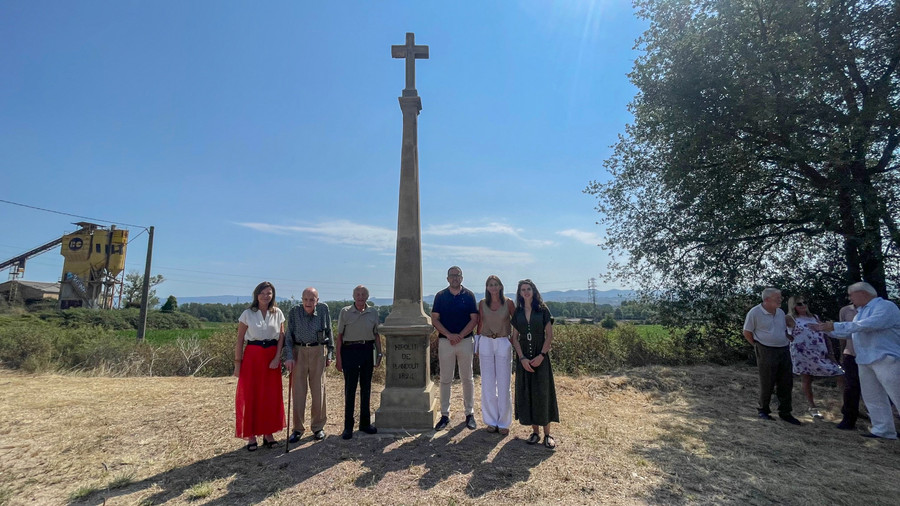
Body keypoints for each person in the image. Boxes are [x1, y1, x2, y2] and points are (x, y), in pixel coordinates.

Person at [814, 282, 900, 439]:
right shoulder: (861, 312)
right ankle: (883, 429)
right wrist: (826, 330)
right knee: (872, 396)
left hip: (885, 358)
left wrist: (835, 326)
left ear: (863, 294)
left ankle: (884, 429)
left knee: (897, 393)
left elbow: (868, 325)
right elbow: (853, 332)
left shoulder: (886, 307)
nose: (850, 298)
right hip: (864, 359)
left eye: (851, 295)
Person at [234, 281, 286, 451]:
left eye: (269, 293)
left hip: (271, 358)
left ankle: (268, 433)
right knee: (252, 395)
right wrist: (237, 364)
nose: (266, 296)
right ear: (256, 295)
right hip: (253, 357)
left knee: (270, 396)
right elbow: (240, 339)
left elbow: (281, 337)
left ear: (273, 295)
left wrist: (277, 357)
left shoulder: (277, 313)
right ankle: (251, 435)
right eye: (263, 293)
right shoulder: (248, 314)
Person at [510, 279, 559, 449]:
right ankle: (535, 432)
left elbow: (549, 336)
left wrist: (542, 355)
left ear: (534, 290)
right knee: (528, 392)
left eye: (528, 289)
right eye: (523, 289)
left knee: (542, 392)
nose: (526, 292)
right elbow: (514, 338)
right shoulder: (518, 312)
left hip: (540, 356)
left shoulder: (543, 310)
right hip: (524, 357)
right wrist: (522, 358)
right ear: (520, 293)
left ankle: (547, 434)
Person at [742, 288, 801, 425]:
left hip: (783, 349)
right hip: (766, 349)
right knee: (767, 381)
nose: (780, 300)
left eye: (780, 297)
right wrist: (757, 345)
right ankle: (763, 410)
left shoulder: (780, 312)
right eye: (777, 298)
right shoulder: (755, 312)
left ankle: (785, 412)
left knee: (786, 382)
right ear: (767, 299)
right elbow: (747, 332)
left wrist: (787, 337)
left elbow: (781, 330)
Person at [431, 266, 479, 431]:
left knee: (467, 378)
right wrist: (450, 335)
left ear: (462, 277)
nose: (455, 278)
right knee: (445, 379)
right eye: (452, 276)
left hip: (465, 341)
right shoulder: (440, 296)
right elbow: (435, 319)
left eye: (457, 275)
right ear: (447, 278)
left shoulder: (469, 296)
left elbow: (474, 319)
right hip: (446, 342)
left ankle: (469, 413)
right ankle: (445, 415)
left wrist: (459, 335)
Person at [284, 287, 334, 442]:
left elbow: (329, 332)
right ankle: (298, 429)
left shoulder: (324, 309)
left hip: (318, 351)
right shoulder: (294, 312)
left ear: (317, 300)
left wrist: (330, 353)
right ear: (301, 299)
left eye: (312, 299)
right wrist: (289, 357)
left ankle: (318, 427)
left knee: (319, 391)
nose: (308, 302)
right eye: (305, 299)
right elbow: (288, 337)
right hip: (299, 351)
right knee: (298, 391)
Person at [335, 285, 383, 440]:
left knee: (366, 388)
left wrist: (380, 353)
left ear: (367, 297)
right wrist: (338, 358)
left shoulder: (373, 312)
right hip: (350, 350)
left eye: (363, 294)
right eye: (358, 294)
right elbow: (340, 336)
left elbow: (376, 335)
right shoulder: (345, 312)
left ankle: (365, 423)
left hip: (367, 350)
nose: (360, 297)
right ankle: (348, 427)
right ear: (353, 296)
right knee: (350, 389)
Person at [785, 296, 845, 419]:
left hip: (820, 352)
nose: (803, 305)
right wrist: (788, 337)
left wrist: (831, 353)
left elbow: (825, 334)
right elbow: (778, 328)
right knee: (807, 378)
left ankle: (845, 404)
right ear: (793, 306)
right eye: (799, 304)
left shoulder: (815, 317)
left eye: (804, 302)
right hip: (802, 353)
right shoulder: (790, 318)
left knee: (840, 373)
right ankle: (812, 407)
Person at [476, 275, 515, 435]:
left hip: (502, 342)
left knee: (504, 383)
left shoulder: (509, 303)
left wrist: (513, 339)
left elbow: (516, 321)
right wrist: (477, 346)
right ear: (487, 288)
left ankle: (504, 422)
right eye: (490, 285)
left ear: (500, 286)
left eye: (495, 284)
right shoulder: (482, 303)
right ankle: (491, 421)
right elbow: (479, 324)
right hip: (485, 342)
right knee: (487, 384)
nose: (493, 287)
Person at [836, 302, 861, 430]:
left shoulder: (877, 309)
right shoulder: (845, 310)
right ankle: (848, 420)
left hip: (873, 357)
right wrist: (842, 354)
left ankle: (884, 423)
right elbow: (842, 334)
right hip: (851, 355)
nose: (851, 297)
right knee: (851, 388)